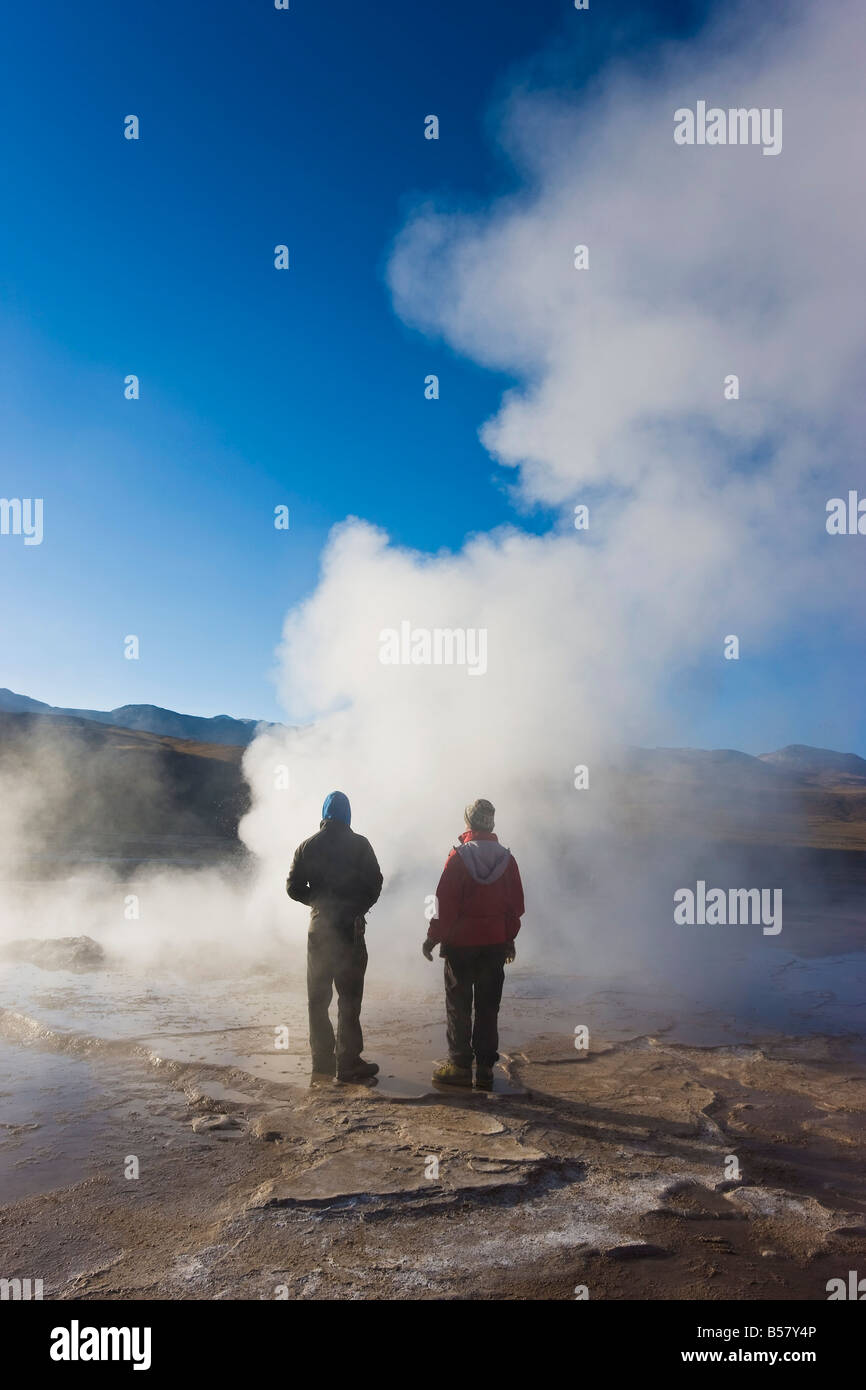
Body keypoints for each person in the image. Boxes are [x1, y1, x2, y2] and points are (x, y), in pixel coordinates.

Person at [423, 798, 524, 1090]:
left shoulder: (458, 857)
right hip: (493, 946)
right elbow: (514, 907)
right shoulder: (507, 860)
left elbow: (444, 905)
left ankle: (459, 1066)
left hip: (461, 946)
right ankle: (484, 1071)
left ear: (469, 822)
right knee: (488, 1006)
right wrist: (508, 939)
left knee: (459, 1004)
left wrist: (433, 937)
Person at [287, 791, 383, 1082]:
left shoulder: (307, 846)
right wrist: (359, 907)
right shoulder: (360, 845)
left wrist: (316, 902)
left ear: (325, 814)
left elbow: (292, 887)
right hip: (350, 930)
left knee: (318, 999)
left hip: (320, 930)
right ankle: (349, 1062)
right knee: (349, 998)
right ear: (347, 815)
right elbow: (376, 882)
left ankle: (322, 1063)